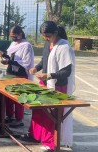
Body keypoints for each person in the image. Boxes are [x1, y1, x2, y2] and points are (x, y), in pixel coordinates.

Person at [28, 22, 75, 151]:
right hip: (45, 82)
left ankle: (50, 143)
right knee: (38, 110)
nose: (46, 39)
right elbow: (44, 60)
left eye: (48, 36)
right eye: (44, 36)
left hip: (57, 86)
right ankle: (35, 135)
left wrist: (49, 75)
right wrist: (36, 68)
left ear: (55, 33)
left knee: (51, 115)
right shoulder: (48, 43)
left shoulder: (64, 47)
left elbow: (67, 72)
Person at [0, 25, 34, 127]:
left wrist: (10, 61)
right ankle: (9, 115)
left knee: (19, 97)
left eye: (15, 36)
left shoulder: (26, 45)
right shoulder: (14, 44)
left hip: (20, 74)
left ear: (20, 34)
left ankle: (19, 118)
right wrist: (3, 55)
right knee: (8, 95)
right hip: (10, 73)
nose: (13, 38)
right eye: (11, 36)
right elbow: (11, 56)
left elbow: (25, 63)